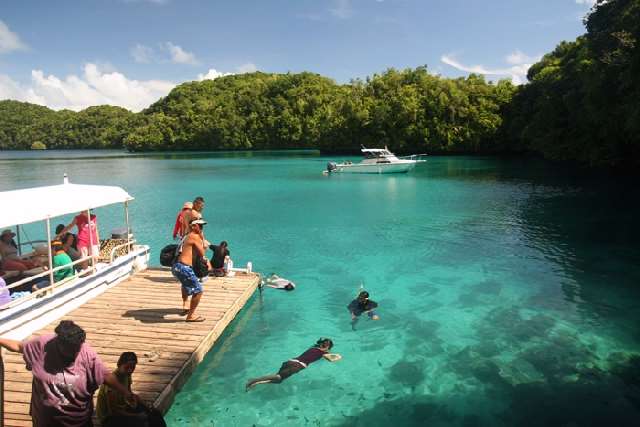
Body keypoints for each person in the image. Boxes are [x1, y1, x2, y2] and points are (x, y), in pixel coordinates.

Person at [0, 320, 135, 427]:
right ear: (59, 343)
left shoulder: (87, 353)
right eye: (70, 350)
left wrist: (125, 392)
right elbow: (18, 346)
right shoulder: (42, 345)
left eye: (77, 348)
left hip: (78, 421)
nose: (75, 353)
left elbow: (105, 375)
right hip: (45, 421)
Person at [97, 352, 167, 427]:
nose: (130, 370)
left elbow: (130, 395)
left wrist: (147, 407)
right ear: (119, 365)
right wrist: (136, 416)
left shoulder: (126, 375)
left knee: (155, 414)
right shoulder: (111, 385)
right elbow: (114, 412)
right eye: (127, 367)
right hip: (109, 418)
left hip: (123, 409)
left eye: (132, 368)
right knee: (141, 422)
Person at [246, 338, 341, 391]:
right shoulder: (324, 353)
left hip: (291, 361)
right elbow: (331, 360)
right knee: (278, 377)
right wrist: (338, 356)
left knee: (279, 380)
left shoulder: (313, 348)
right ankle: (254, 380)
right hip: (297, 366)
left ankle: (256, 383)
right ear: (328, 347)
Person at [171, 219, 210, 323]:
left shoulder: (187, 236)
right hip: (184, 268)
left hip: (178, 266)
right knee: (198, 291)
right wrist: (204, 243)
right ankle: (190, 316)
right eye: (199, 226)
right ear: (193, 226)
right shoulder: (194, 236)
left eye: (202, 227)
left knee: (185, 284)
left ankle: (185, 304)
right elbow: (202, 253)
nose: (201, 229)